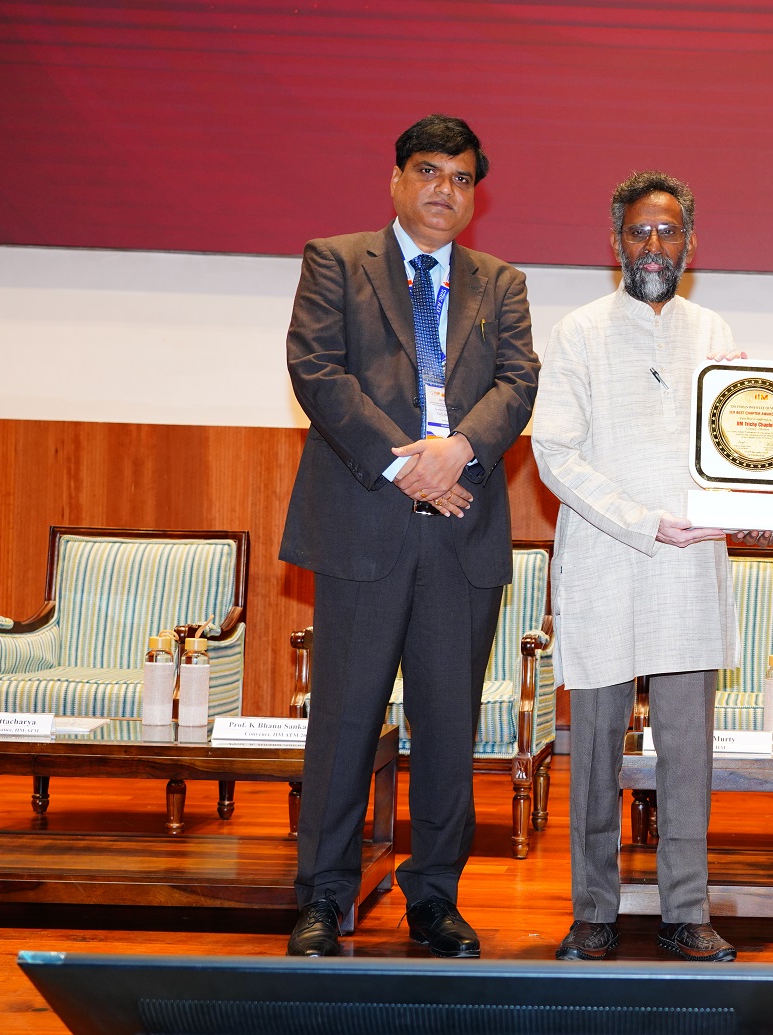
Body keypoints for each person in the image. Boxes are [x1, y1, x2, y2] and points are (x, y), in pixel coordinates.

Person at [280, 114, 539, 958]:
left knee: (448, 727)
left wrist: (457, 449)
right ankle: (324, 897)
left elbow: (518, 381)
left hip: (460, 532)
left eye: (461, 178)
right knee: (345, 722)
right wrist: (406, 464)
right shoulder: (336, 260)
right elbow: (317, 371)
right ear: (396, 179)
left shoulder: (500, 282)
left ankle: (435, 898)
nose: (443, 190)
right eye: (428, 171)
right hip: (365, 523)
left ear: (475, 195)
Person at [532, 171, 741, 964]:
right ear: (616, 241)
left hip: (690, 567)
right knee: (594, 751)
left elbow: (740, 440)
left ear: (692, 242)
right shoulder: (579, 332)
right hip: (607, 558)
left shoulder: (714, 331)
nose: (654, 246)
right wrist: (643, 521)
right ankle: (594, 910)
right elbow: (554, 452)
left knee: (688, 752)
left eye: (668, 231)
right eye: (639, 232)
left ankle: (687, 910)